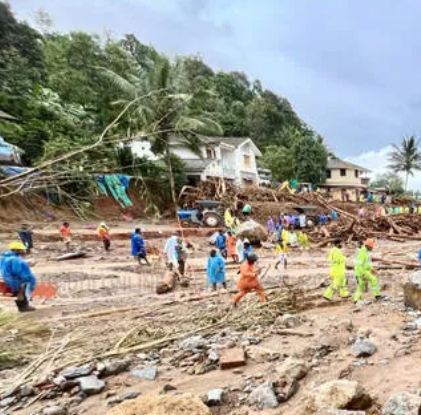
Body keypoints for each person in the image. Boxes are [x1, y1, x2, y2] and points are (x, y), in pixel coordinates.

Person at [1, 242, 37, 312]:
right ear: (15, 250)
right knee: (23, 291)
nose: (23, 251)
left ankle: (23, 306)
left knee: (21, 291)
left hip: (8, 278)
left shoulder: (5, 257)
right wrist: (27, 277)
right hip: (15, 280)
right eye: (21, 250)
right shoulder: (15, 259)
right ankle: (23, 307)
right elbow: (17, 271)